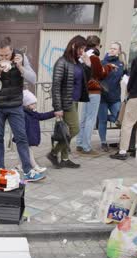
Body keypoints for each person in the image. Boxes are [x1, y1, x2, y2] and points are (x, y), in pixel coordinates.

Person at [0, 36, 44, 181]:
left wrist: (20, 66)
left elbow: (33, 79)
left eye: (7, 55)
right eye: (1, 55)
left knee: (22, 137)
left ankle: (28, 170)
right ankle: (0, 169)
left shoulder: (21, 57)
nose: (4, 57)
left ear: (12, 50)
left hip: (15, 104)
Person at [47, 35, 90, 169]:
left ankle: (65, 158)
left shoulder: (77, 62)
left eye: (84, 48)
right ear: (73, 46)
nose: (82, 51)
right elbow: (56, 86)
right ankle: (54, 153)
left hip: (75, 100)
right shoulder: (62, 62)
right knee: (74, 129)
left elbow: (85, 80)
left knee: (66, 130)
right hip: (66, 102)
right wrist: (57, 107)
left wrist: (88, 65)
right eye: (81, 48)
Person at [76, 35, 114, 156]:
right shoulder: (94, 57)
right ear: (97, 45)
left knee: (84, 118)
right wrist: (108, 67)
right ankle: (87, 147)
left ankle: (80, 144)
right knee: (90, 119)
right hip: (93, 91)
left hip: (84, 90)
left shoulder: (83, 56)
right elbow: (100, 74)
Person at [98, 42, 127, 152]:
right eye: (111, 48)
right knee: (103, 121)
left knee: (118, 119)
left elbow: (127, 77)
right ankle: (103, 142)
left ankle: (122, 141)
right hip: (102, 97)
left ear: (119, 51)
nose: (112, 50)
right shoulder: (102, 62)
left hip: (115, 97)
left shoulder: (121, 64)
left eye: (115, 49)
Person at [20, 89, 55, 173]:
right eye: (32, 104)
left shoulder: (33, 112)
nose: (34, 105)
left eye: (35, 103)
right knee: (29, 151)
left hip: (29, 136)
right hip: (25, 136)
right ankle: (35, 166)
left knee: (23, 151)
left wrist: (53, 113)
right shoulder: (23, 114)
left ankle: (19, 165)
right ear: (26, 105)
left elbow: (41, 116)